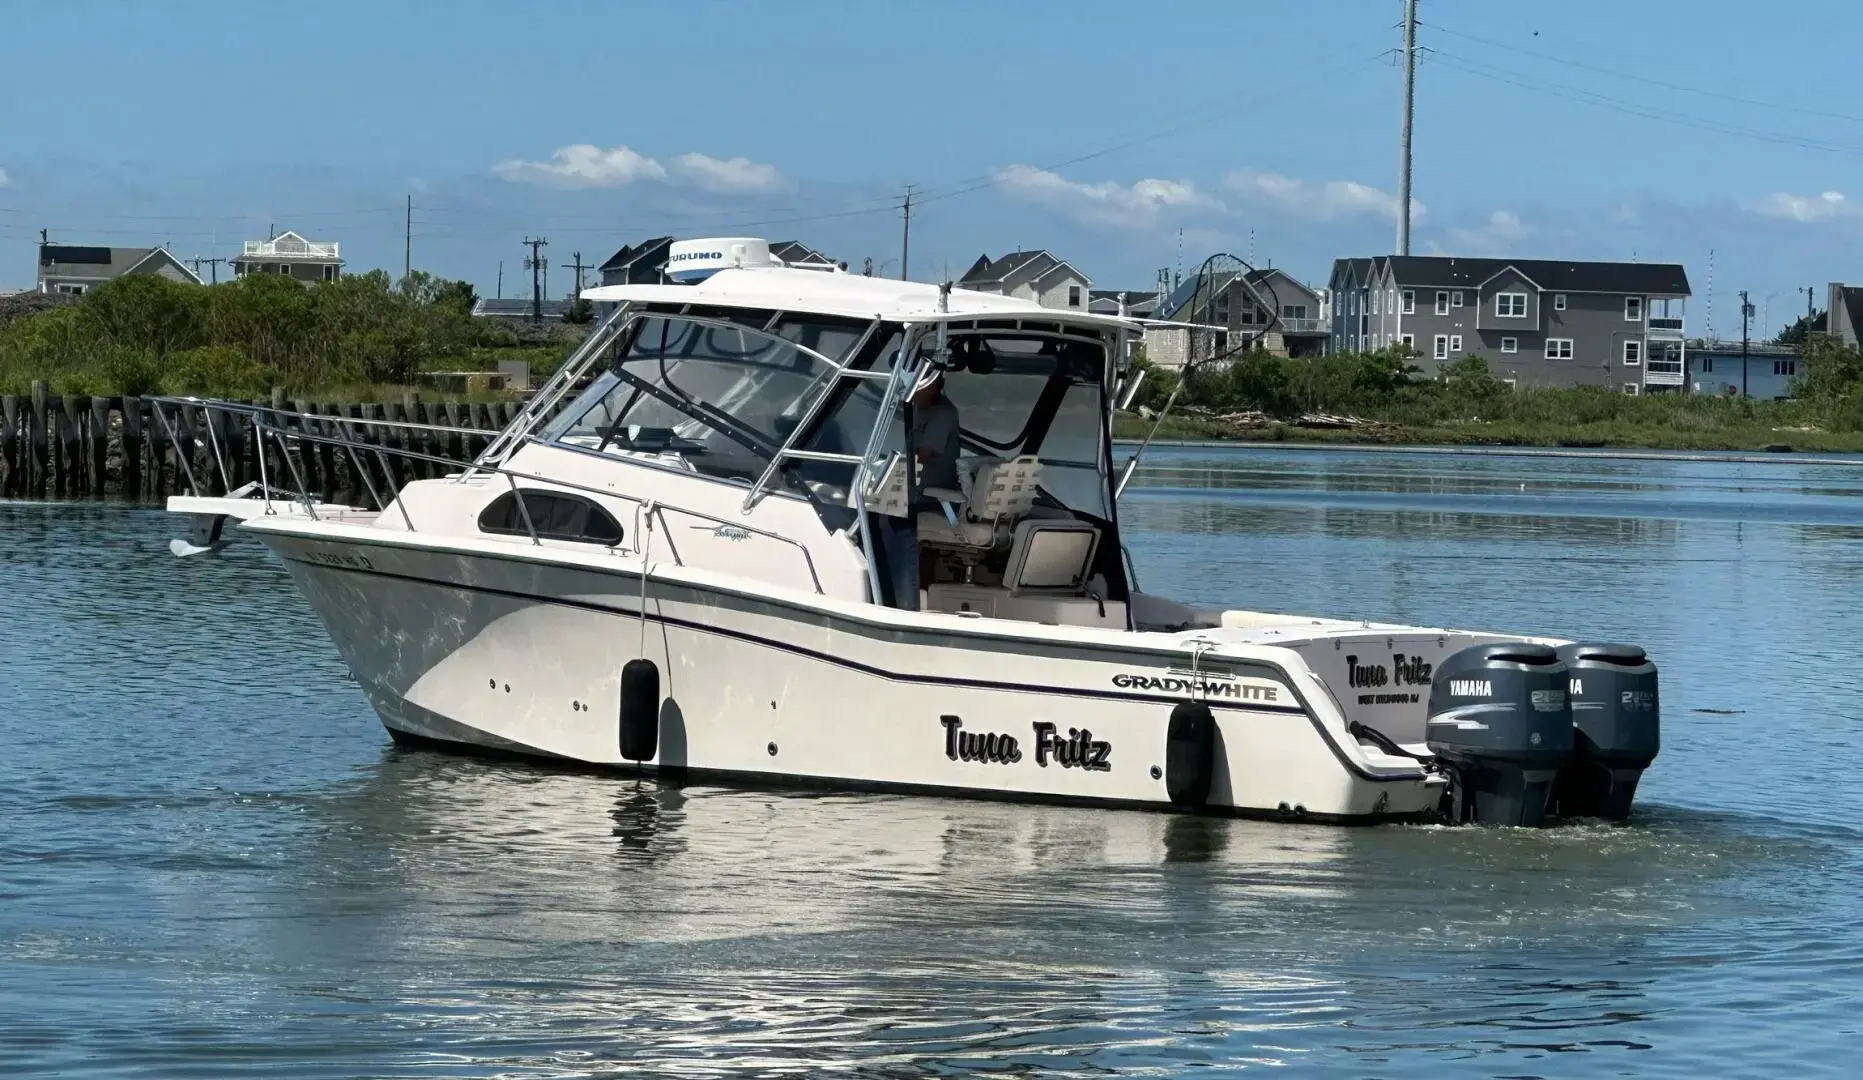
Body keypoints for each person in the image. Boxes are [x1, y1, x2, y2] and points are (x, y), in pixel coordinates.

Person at [909, 368, 961, 493]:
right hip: (915, 479)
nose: (912, 394)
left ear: (932, 388)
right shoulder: (918, 407)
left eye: (917, 387)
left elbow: (924, 455)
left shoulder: (943, 413)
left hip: (932, 488)